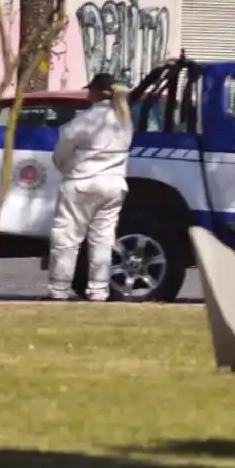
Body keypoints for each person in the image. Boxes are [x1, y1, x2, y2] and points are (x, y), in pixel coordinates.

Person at [45, 72, 133, 301]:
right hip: (114, 185)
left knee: (67, 238)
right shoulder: (124, 120)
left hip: (82, 182)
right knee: (103, 239)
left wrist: (68, 170)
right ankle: (99, 290)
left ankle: (59, 289)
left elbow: (61, 153)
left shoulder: (84, 120)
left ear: (95, 93)